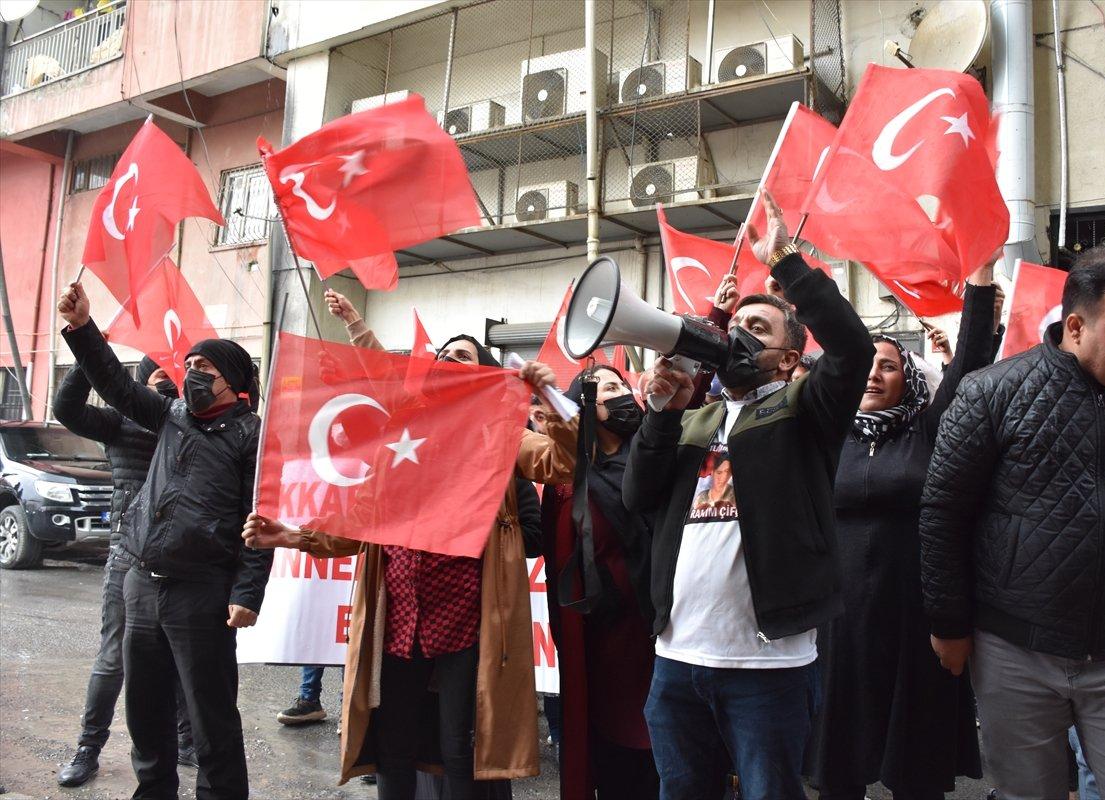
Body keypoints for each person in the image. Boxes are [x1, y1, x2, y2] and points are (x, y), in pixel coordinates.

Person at [243, 290, 577, 800]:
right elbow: (363, 521)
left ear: (485, 375)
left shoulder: (500, 431)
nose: (447, 360)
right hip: (398, 619)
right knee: (393, 744)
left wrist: (549, 400)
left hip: (467, 620)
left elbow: (564, 463)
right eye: (442, 354)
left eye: (462, 355)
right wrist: (293, 536)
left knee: (458, 747)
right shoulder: (404, 429)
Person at [920, 243, 1105, 800]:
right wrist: (949, 625)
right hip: (1013, 650)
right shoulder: (990, 393)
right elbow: (943, 515)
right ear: (1076, 325)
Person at [623, 191, 874, 800]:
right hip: (678, 660)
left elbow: (853, 348)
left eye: (756, 330)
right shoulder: (696, 422)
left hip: (768, 669)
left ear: (789, 358)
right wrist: (660, 413)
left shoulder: (805, 410)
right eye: (734, 326)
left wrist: (786, 262)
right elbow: (638, 496)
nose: (736, 334)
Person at [56, 282, 271, 800]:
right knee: (146, 710)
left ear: (234, 383)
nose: (191, 377)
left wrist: (247, 594)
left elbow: (260, 524)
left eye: (205, 370)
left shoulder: (253, 437)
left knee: (208, 715)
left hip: (203, 592)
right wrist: (83, 330)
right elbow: (115, 386)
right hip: (142, 584)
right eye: (189, 367)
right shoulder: (171, 416)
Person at [813, 257, 1001, 800]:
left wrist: (981, 283)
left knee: (917, 771)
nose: (873, 372)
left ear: (909, 379)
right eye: (866, 364)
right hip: (840, 625)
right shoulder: (825, 433)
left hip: (917, 620)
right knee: (838, 768)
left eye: (889, 365)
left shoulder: (930, 428)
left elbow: (968, 368)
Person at [52, 358, 197, 787]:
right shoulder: (119, 422)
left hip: (182, 558)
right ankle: (87, 748)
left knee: (183, 656)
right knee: (114, 657)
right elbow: (67, 408)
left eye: (176, 378)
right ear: (140, 382)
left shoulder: (191, 423)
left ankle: (187, 741)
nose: (169, 386)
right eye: (160, 378)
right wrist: (86, 356)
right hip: (128, 556)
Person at [543, 364, 658, 800]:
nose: (621, 393)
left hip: (665, 633)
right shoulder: (567, 484)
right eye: (606, 389)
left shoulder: (664, 458)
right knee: (617, 760)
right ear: (585, 407)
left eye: (621, 385)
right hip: (606, 644)